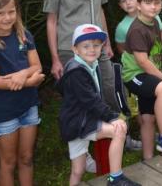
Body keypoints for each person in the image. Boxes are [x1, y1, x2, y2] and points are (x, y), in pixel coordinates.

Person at [43, 0, 116, 172]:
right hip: (70, 48)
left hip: (97, 45)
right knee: (80, 101)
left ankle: (111, 142)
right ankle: (81, 156)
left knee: (106, 90)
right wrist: (54, 58)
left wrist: (106, 42)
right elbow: (51, 20)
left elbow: (101, 9)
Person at [0, 0, 45, 186]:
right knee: (8, 162)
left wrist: (22, 75)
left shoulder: (24, 35)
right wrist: (29, 80)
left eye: (11, 11)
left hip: (28, 105)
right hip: (3, 111)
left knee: (26, 158)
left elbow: (37, 67)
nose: (7, 17)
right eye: (1, 13)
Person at [57, 24, 139, 186]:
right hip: (79, 122)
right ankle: (115, 178)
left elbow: (93, 98)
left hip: (78, 120)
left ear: (102, 46)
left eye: (96, 45)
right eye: (85, 46)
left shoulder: (91, 65)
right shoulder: (76, 71)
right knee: (118, 129)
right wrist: (112, 117)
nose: (92, 49)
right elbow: (90, 100)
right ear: (75, 49)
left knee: (78, 170)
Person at [121, 0, 162, 159]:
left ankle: (148, 159)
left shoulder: (154, 22)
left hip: (147, 74)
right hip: (135, 75)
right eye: (148, 2)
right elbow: (142, 61)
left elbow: (157, 46)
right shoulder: (137, 30)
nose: (153, 6)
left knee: (148, 119)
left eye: (157, 3)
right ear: (138, 5)